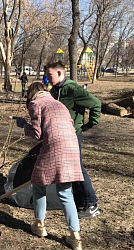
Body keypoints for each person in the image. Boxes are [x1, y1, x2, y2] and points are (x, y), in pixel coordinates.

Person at [15, 82, 83, 250]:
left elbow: (37, 134)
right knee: (66, 193)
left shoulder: (36, 104)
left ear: (31, 93)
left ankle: (39, 225)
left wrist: (24, 124)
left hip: (55, 147)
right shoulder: (58, 103)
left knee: (39, 186)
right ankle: (75, 238)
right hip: (72, 147)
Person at [45, 61, 101, 219]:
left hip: (72, 134)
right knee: (69, 169)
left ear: (59, 73)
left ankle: (91, 204)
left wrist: (89, 124)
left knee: (78, 168)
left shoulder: (72, 88)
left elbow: (96, 103)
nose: (48, 78)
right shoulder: (55, 89)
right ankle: (80, 201)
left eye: (50, 75)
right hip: (61, 134)